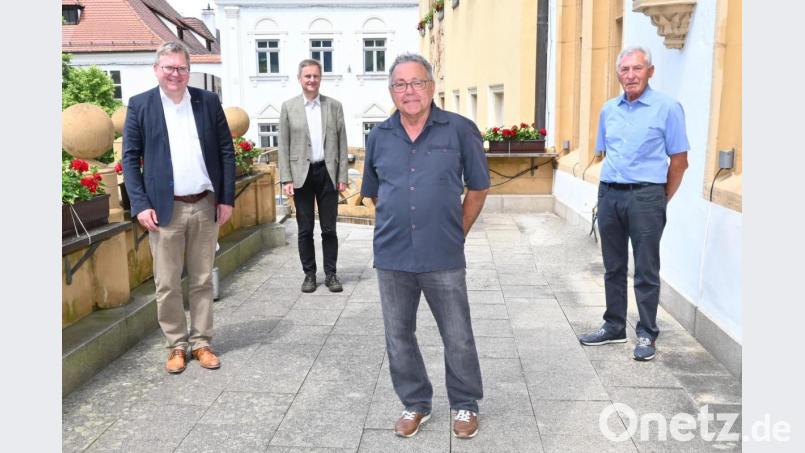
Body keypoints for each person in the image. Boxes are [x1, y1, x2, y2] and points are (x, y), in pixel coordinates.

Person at [361, 53, 489, 439]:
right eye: (400, 84)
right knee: (398, 335)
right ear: (391, 91)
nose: (409, 91)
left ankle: (465, 403)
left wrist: (455, 230)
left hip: (443, 254)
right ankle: (415, 402)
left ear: (432, 87)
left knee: (457, 334)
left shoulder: (460, 130)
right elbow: (374, 194)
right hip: (393, 256)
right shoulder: (378, 136)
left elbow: (479, 188)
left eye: (417, 83)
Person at [123, 41, 235, 374]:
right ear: (157, 70)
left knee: (202, 279)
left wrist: (226, 198)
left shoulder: (207, 102)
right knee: (167, 283)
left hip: (204, 204)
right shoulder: (141, 105)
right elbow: (129, 159)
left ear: (189, 70)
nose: (176, 74)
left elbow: (226, 152)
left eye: (182, 68)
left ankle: (201, 343)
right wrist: (140, 205)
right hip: (163, 211)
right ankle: (176, 345)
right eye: (169, 68)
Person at [578, 45, 689, 361]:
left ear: (650, 72)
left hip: (646, 196)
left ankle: (647, 333)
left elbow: (679, 161)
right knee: (613, 267)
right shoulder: (608, 109)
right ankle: (613, 326)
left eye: (637, 68)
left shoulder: (668, 108)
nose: (631, 75)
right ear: (618, 75)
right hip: (610, 194)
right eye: (625, 70)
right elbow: (605, 152)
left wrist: (659, 198)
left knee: (645, 269)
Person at [278, 59, 348, 293]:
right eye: (307, 76)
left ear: (321, 78)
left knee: (329, 229)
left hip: (327, 172)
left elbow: (342, 143)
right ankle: (309, 274)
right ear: (299, 78)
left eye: (315, 76)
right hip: (301, 174)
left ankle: (331, 274)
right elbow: (283, 145)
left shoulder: (334, 106)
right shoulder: (289, 107)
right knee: (305, 229)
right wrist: (286, 178)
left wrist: (343, 176)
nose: (311, 80)